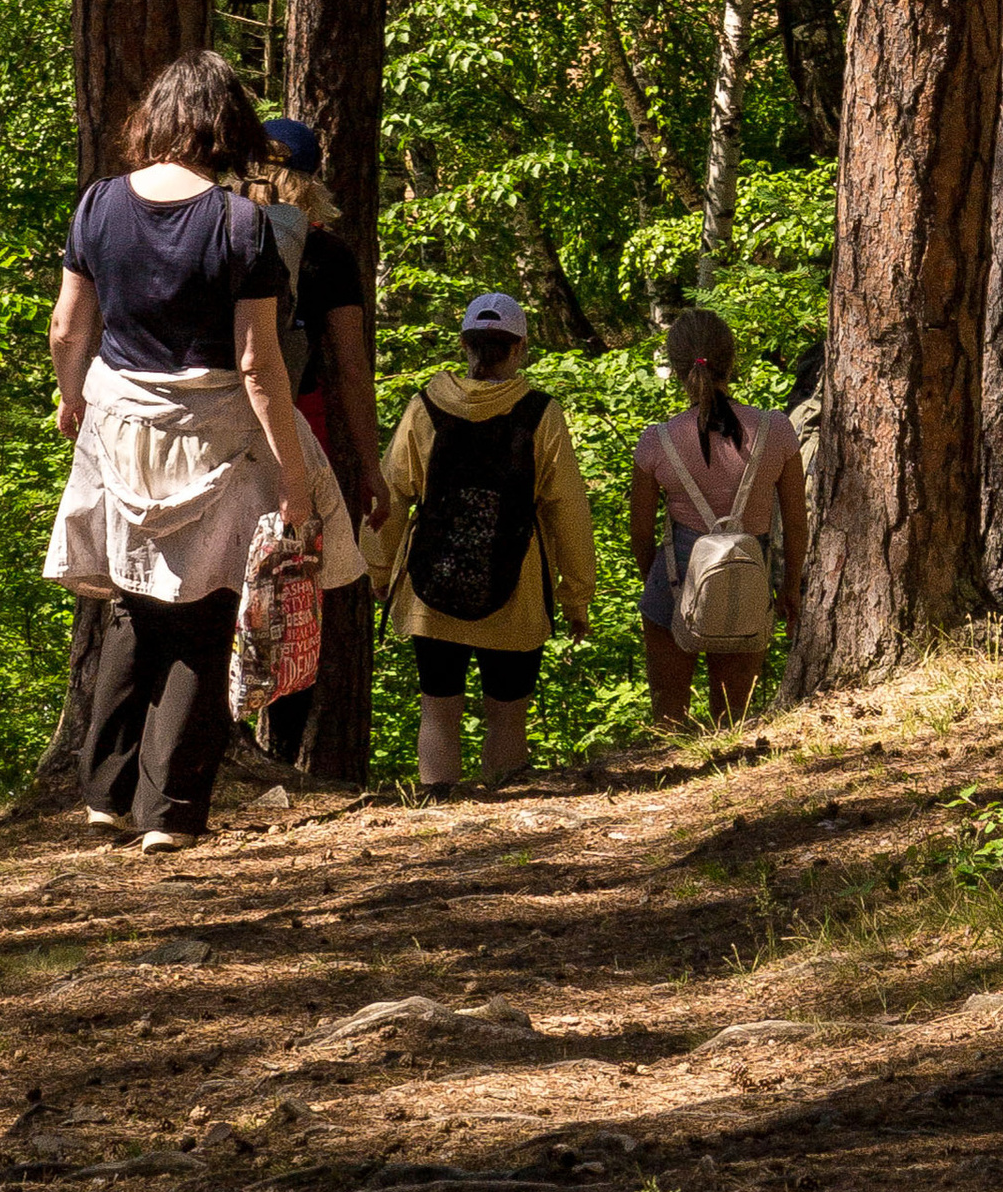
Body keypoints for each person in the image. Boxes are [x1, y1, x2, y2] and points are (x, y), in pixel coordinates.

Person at [46, 51, 360, 849]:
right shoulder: (241, 224)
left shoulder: (98, 205)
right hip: (213, 432)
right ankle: (171, 816)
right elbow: (257, 363)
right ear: (228, 127)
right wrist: (294, 478)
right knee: (205, 611)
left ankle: (104, 794)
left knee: (130, 602)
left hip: (119, 425)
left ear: (156, 119)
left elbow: (66, 328)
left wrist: (72, 397)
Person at [369, 292, 595, 799]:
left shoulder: (423, 407)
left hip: (431, 586)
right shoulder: (541, 413)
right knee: (508, 716)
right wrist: (576, 596)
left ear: (465, 345)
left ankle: (438, 808)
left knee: (438, 707)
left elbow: (391, 494)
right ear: (519, 350)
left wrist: (380, 573)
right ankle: (500, 812)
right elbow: (568, 509)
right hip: (516, 588)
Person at [251, 117, 389, 775]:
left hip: (217, 429)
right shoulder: (327, 254)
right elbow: (350, 367)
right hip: (299, 432)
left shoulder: (214, 232)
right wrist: (368, 465)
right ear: (312, 181)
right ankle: (278, 756)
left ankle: (221, 746)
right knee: (295, 593)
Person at [629, 306, 804, 728]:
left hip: (674, 578)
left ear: (675, 367)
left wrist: (656, 578)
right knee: (733, 722)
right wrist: (790, 589)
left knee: (669, 720)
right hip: (748, 575)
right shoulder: (776, 431)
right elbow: (796, 524)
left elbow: (639, 531)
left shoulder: (657, 441)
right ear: (733, 361)